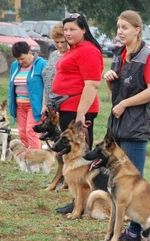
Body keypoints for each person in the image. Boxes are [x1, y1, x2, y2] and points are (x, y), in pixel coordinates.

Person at [103, 10, 150, 241]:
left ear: (137, 29)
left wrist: (125, 103)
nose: (120, 31)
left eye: (125, 27)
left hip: (136, 127)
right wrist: (110, 84)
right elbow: (119, 92)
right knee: (119, 179)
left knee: (134, 180)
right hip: (119, 125)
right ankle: (122, 229)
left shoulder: (148, 56)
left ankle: (136, 231)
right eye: (118, 27)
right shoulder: (120, 54)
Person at [51, 12, 104, 214]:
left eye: (73, 29)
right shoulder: (75, 49)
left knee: (81, 159)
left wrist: (81, 115)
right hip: (67, 108)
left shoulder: (88, 50)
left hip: (79, 110)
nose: (68, 33)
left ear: (84, 29)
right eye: (65, 29)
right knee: (71, 157)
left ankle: (80, 203)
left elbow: (91, 85)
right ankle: (76, 199)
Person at [8, 41, 47, 150]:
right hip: (19, 106)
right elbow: (11, 86)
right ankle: (27, 159)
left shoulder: (41, 64)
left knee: (31, 131)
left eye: (22, 58)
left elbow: (47, 86)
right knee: (22, 132)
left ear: (29, 52)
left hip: (34, 107)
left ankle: (37, 159)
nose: (20, 62)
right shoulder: (14, 66)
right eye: (17, 59)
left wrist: (45, 105)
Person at [42, 24, 69, 109]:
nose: (60, 45)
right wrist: (44, 104)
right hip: (50, 102)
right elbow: (46, 81)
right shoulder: (53, 55)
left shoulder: (71, 55)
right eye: (56, 42)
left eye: (62, 42)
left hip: (65, 102)